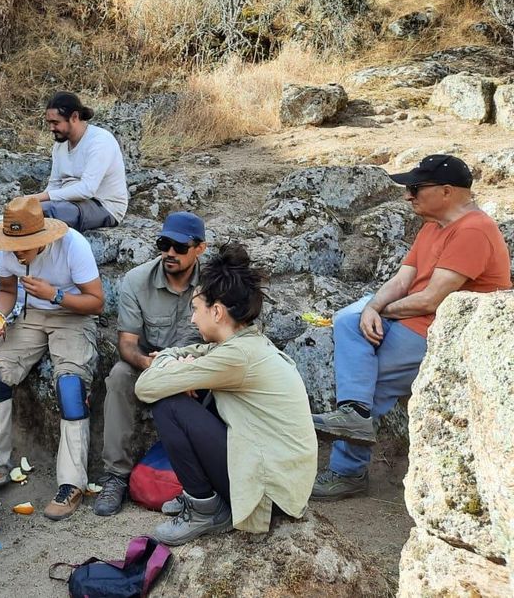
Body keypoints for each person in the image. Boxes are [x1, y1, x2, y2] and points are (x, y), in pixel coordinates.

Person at [311, 155, 511, 501]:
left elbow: (431, 300)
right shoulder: (434, 227)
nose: (408, 195)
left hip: (441, 331)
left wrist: (379, 311)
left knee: (371, 385)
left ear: (447, 191)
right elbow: (403, 280)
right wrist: (371, 307)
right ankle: (354, 415)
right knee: (348, 318)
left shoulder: (474, 230)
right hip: (413, 320)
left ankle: (348, 471)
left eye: (416, 187)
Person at [135, 244, 317, 545]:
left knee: (169, 404)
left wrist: (174, 369)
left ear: (217, 311)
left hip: (270, 496)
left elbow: (145, 387)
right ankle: (207, 497)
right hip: (280, 482)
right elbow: (185, 352)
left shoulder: (236, 358)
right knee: (192, 392)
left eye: (196, 309)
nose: (193, 319)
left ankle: (204, 508)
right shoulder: (242, 345)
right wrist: (178, 363)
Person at [0, 196, 104, 521]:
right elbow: (6, 290)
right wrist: (0, 317)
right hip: (31, 316)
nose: (17, 252)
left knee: (71, 386)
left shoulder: (72, 245)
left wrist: (55, 294)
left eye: (25, 245)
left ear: (41, 237)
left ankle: (72, 483)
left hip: (72, 316)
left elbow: (96, 302)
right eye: (12, 244)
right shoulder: (4, 246)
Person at [93, 211, 207, 517]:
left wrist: (188, 371)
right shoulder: (135, 281)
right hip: (149, 363)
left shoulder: (213, 282)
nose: (170, 253)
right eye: (164, 243)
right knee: (118, 376)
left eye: (180, 247)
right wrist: (153, 365)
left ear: (200, 249)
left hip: (200, 367)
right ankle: (116, 476)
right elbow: (127, 344)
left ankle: (211, 478)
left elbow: (226, 340)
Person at [27, 92, 128, 231]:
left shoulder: (100, 141)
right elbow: (54, 184)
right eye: (49, 123)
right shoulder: (60, 145)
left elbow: (87, 189)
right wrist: (31, 203)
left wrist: (40, 198)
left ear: (74, 117)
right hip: (70, 203)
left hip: (103, 206)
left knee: (46, 213)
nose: (51, 128)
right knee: (25, 212)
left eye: (56, 123)